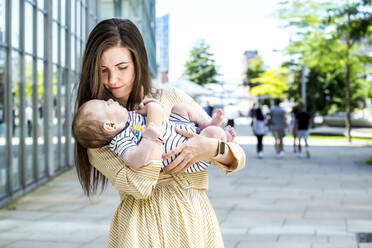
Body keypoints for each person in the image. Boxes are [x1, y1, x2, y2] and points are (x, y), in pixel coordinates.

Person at [74, 18, 245, 247]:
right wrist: (154, 115)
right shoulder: (99, 129)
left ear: (138, 62)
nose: (112, 79)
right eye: (102, 70)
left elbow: (237, 158)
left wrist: (211, 147)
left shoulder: (173, 97)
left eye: (122, 67)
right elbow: (141, 186)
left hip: (195, 218)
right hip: (143, 227)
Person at [72, 98, 235, 173]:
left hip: (181, 128)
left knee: (179, 107)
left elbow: (156, 114)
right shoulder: (120, 139)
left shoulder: (129, 115)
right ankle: (220, 135)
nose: (110, 100)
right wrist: (148, 139)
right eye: (107, 105)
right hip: (184, 155)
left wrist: (151, 107)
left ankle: (207, 124)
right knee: (214, 133)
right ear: (110, 125)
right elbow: (134, 161)